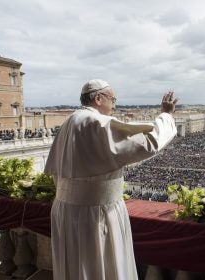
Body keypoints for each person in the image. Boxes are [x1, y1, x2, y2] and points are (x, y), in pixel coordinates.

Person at [44, 79, 179, 280]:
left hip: (66, 209)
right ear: (98, 98)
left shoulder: (69, 122)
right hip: (96, 213)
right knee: (101, 266)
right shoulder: (96, 123)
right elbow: (148, 143)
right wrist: (166, 115)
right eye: (113, 99)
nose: (115, 105)